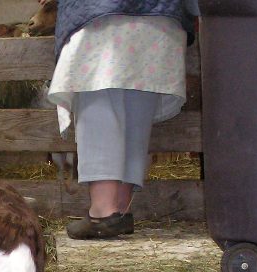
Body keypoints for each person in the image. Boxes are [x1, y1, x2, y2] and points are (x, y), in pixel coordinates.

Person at [46, 0, 200, 239]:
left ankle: (103, 212)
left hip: (100, 16)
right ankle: (119, 208)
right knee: (139, 96)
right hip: (162, 17)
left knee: (97, 91)